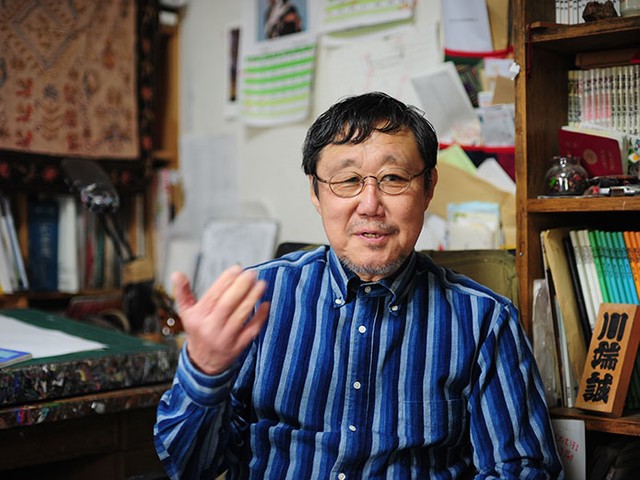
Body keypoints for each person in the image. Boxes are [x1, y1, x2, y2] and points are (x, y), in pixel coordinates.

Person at [154, 92, 563, 479]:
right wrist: (204, 372)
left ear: (428, 188)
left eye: (393, 178)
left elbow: (521, 468)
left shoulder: (484, 321)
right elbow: (188, 468)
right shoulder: (259, 298)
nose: (370, 205)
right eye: (348, 180)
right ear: (316, 192)